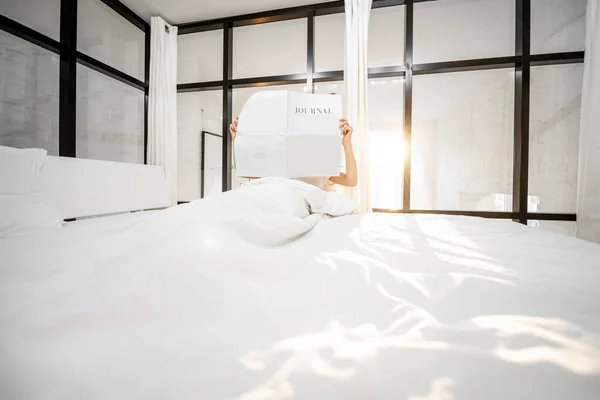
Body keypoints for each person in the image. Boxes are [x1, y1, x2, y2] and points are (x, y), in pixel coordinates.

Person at [229, 116, 357, 190]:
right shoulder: (278, 163)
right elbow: (243, 169)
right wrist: (237, 140)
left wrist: (347, 144)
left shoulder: (320, 167)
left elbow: (351, 181)